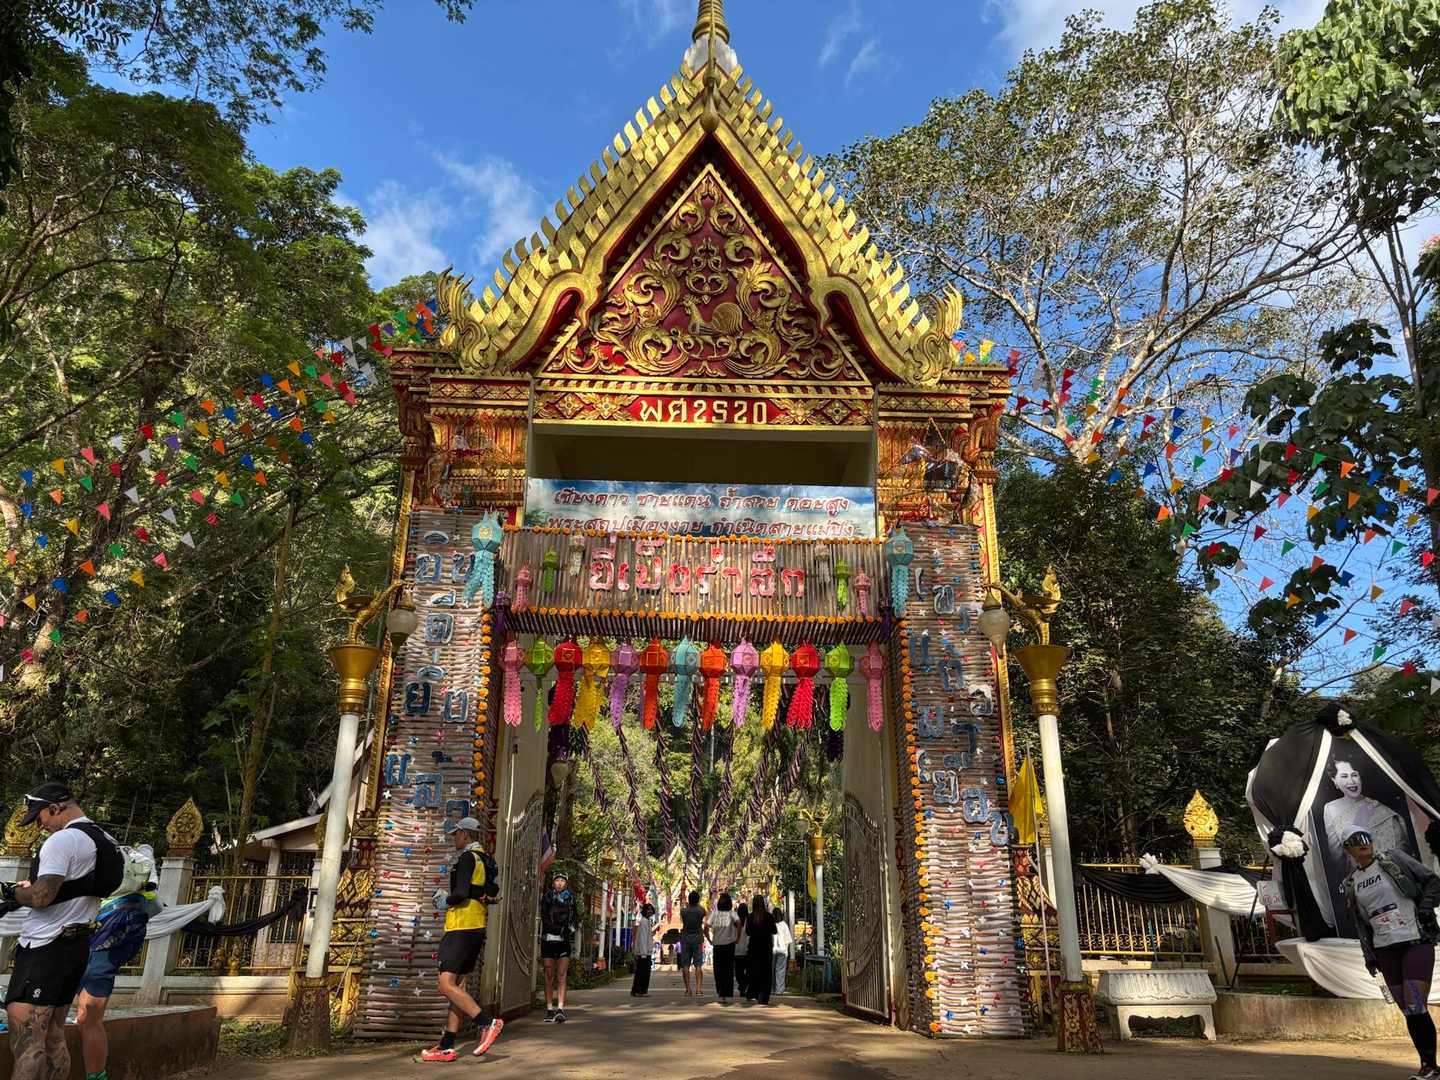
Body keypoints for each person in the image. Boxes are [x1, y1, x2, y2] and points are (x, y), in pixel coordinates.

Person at [1, 783, 123, 1080]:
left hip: (46, 946)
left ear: (55, 808)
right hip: (76, 945)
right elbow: (74, 889)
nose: (40, 825)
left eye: (40, 817)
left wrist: (11, 892)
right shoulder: (105, 840)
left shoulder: (64, 839)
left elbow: (42, 896)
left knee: (28, 1041)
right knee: (54, 1034)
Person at [1343, 829, 1440, 1080]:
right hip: (1385, 950)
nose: (1362, 844)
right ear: (1347, 850)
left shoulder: (1394, 859)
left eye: (1365, 838)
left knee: (1415, 1004)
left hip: (1414, 941)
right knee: (1407, 1009)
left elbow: (1432, 880)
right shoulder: (1351, 882)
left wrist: (1426, 906)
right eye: (1355, 841)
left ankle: (1430, 1065)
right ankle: (1427, 1066)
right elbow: (1361, 924)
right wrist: (1368, 956)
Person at [419, 817, 503, 1062]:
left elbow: (461, 893)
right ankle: (447, 1046)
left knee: (445, 985)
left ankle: (487, 1022)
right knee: (458, 987)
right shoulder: (487, 860)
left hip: (461, 926)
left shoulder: (467, 858)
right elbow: (490, 892)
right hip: (477, 926)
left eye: (456, 834)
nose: (454, 838)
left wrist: (443, 900)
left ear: (465, 834)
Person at [76, 844, 160, 1080]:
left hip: (103, 934)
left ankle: (95, 1076)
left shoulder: (122, 865)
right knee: (86, 1016)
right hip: (105, 935)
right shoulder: (137, 874)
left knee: (87, 1016)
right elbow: (154, 903)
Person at [1325, 759, 1410, 868]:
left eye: (1354, 775)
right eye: (1344, 776)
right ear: (1334, 781)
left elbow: (1400, 853)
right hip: (1357, 874)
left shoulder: (1382, 811)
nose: (1351, 781)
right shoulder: (1330, 808)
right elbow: (1337, 857)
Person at [540, 871, 577, 1022]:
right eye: (557, 880)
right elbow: (544, 918)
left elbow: (574, 918)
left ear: (566, 883)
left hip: (564, 941)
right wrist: (557, 929)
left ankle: (560, 1008)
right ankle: (549, 1009)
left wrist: (569, 929)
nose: (560, 883)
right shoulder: (547, 897)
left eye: (562, 880)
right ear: (553, 883)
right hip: (548, 940)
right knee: (549, 975)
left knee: (561, 975)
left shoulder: (571, 899)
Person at [708, 892, 740, 1004]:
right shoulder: (732, 914)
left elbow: (705, 926)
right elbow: (739, 923)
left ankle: (721, 991)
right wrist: (737, 937)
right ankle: (727, 992)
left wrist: (709, 940)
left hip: (717, 945)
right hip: (729, 945)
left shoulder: (714, 914)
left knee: (718, 969)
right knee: (728, 969)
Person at [743, 896, 775, 1005]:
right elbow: (774, 930)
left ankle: (753, 992)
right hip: (766, 948)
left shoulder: (750, 917)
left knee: (754, 971)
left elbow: (747, 932)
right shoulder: (769, 916)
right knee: (766, 973)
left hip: (754, 948)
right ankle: (764, 996)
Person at [678, 889, 708, 997]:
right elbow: (705, 916)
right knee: (698, 965)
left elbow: (682, 917)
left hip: (685, 939)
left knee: (685, 965)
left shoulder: (683, 911)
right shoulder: (701, 910)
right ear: (698, 900)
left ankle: (688, 989)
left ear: (689, 899)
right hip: (698, 940)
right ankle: (698, 989)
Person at [631, 902, 656, 997]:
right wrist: (643, 954)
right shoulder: (644, 922)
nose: (650, 911)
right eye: (648, 909)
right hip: (644, 953)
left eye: (651, 909)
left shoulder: (646, 921)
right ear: (644, 911)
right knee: (643, 973)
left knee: (642, 972)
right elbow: (642, 938)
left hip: (645, 952)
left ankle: (638, 991)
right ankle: (640, 991)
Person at [771, 910, 793, 1000]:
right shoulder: (784, 925)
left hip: (772, 950)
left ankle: (772, 989)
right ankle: (779, 990)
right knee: (780, 970)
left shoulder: (771, 924)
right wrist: (787, 951)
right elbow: (788, 940)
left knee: (771, 970)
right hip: (783, 950)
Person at [733, 902, 750, 999]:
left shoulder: (735, 921)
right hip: (747, 950)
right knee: (747, 971)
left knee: (738, 971)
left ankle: (742, 985)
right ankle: (743, 985)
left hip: (737, 950)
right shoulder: (749, 921)